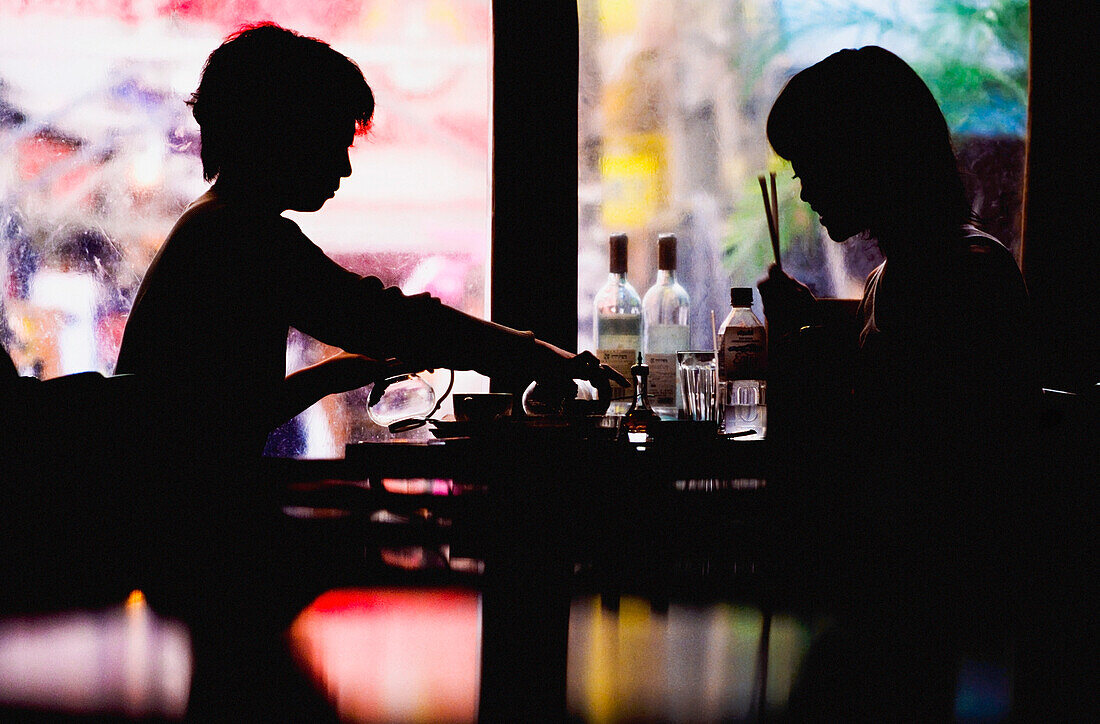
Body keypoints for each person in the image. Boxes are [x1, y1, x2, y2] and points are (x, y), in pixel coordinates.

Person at [112, 23, 623, 719]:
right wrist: (537, 353)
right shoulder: (245, 235)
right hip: (192, 543)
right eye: (335, 139)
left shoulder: (216, 224)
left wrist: (334, 375)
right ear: (279, 129)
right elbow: (391, 317)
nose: (345, 169)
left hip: (177, 533)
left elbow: (214, 413)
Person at [756, 46, 1036, 719]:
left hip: (927, 602)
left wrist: (800, 344)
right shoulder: (905, 274)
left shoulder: (958, 275)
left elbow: (895, 458)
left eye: (810, 164)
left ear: (866, 153)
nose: (804, 189)